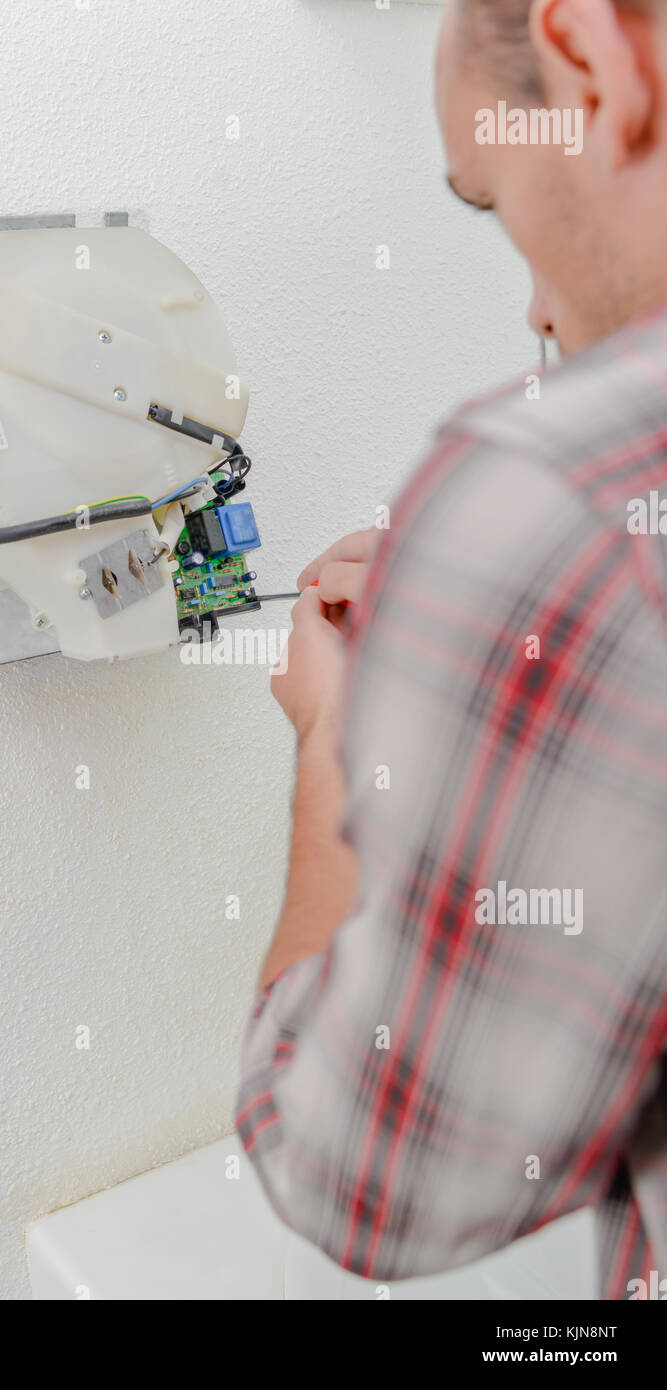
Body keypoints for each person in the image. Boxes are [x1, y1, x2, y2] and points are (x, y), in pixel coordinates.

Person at [235, 0, 667, 1299]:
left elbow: (367, 1187)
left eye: (491, 204)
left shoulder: (567, 493)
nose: (537, 312)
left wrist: (339, 747)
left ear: (592, 53)